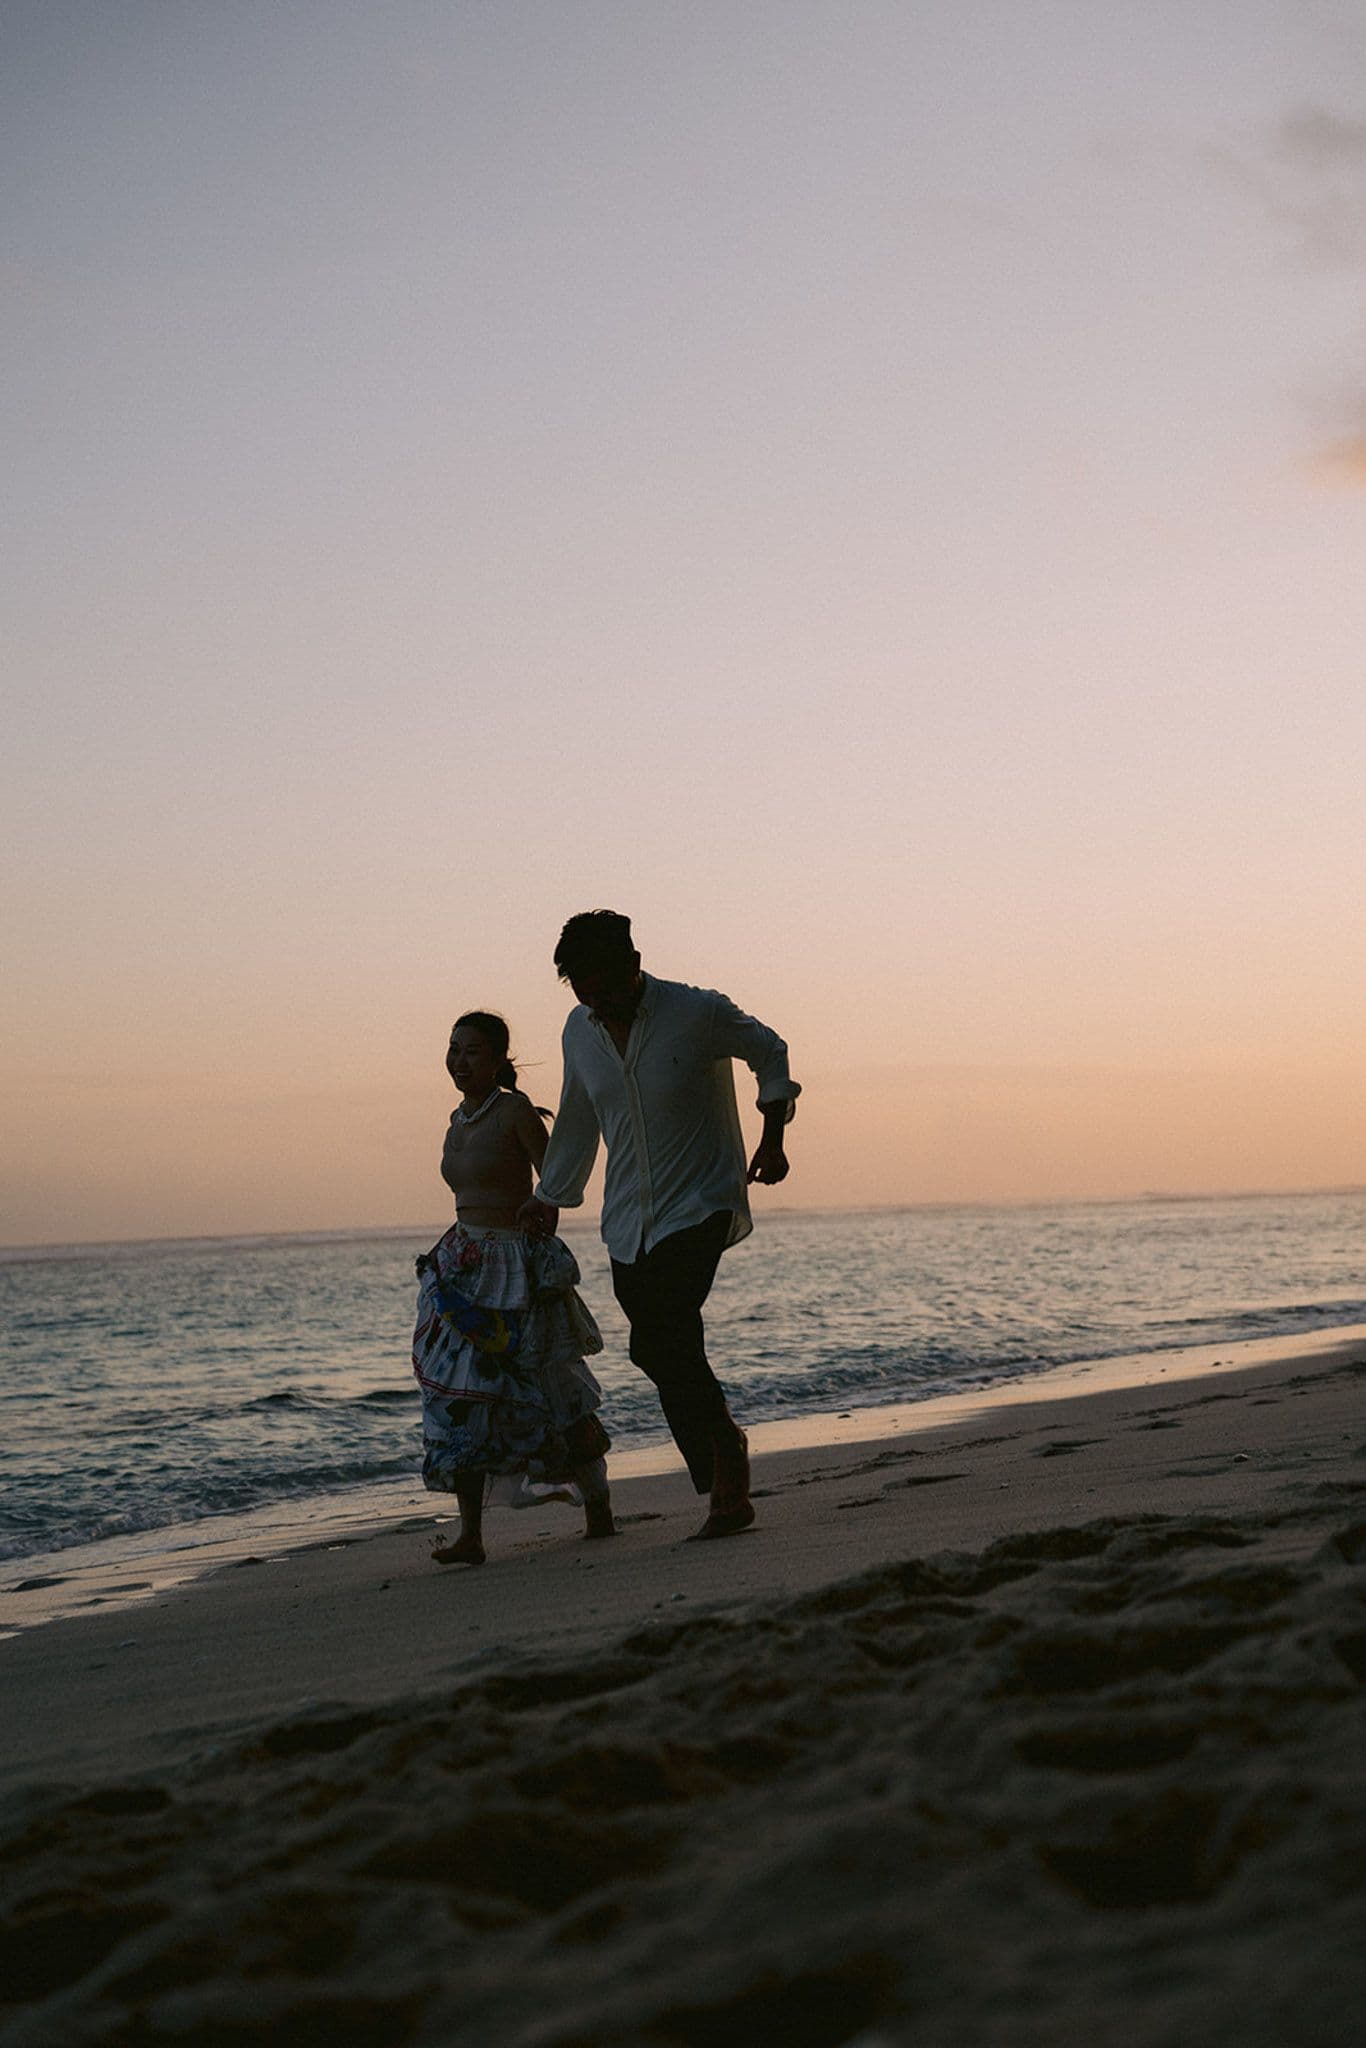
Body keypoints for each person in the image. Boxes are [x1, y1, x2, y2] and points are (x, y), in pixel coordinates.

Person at [517, 912, 799, 1540]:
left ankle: (727, 1481)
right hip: (628, 1218)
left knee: (665, 1332)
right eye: (583, 993)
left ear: (634, 963)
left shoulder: (697, 1011)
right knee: (656, 1346)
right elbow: (577, 1115)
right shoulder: (580, 1029)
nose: (598, 1005)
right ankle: (724, 1450)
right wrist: (551, 1196)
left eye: (606, 990)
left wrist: (772, 1139)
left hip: (701, 1199)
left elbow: (770, 1051)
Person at [412, 1010, 614, 1566]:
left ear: (500, 1058)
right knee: (458, 1398)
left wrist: (537, 1225)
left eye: (471, 1050)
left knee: (545, 1389)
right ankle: (471, 1535)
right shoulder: (457, 1117)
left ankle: (598, 1505)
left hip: (512, 1269)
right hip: (462, 1265)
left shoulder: (515, 1111)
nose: (458, 1060)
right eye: (453, 1049)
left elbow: (556, 1179)